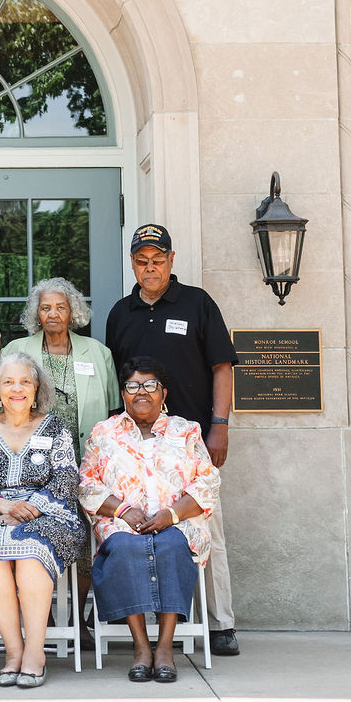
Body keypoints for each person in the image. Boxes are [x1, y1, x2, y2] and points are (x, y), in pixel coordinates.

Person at [102, 223, 241, 657]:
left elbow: (222, 366)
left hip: (190, 441)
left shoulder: (198, 303)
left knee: (203, 527)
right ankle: (142, 622)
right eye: (142, 261)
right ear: (132, 264)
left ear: (171, 260)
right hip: (135, 444)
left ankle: (220, 624)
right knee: (134, 530)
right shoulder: (120, 313)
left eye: (158, 260)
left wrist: (219, 424)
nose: (150, 268)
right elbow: (116, 380)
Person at [79, 357, 219, 684]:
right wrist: (123, 511)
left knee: (171, 546)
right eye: (132, 385)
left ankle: (165, 647)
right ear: (123, 394)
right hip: (121, 524)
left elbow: (208, 481)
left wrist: (171, 515)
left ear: (163, 392)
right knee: (126, 549)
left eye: (150, 384)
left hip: (177, 523)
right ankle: (141, 646)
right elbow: (85, 484)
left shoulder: (187, 431)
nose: (141, 392)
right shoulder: (104, 433)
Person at [0, 350, 86, 687]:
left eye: (25, 381)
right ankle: (13, 652)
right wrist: (1, 505)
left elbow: (67, 480)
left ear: (36, 387)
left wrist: (31, 507)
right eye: (9, 381)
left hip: (49, 514)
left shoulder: (55, 427)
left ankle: (35, 653)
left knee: (31, 552)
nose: (17, 388)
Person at [0, 277, 118, 461]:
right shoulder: (15, 350)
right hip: (30, 455)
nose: (53, 314)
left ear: (72, 312)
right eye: (45, 308)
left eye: (61, 307)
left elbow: (114, 411)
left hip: (89, 455)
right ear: (37, 314)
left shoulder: (98, 352)